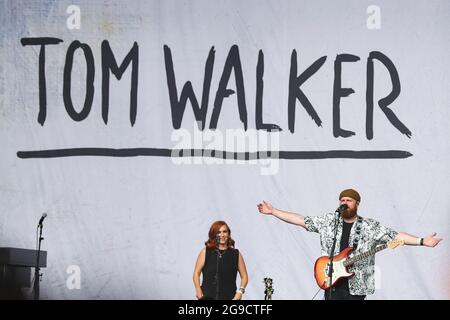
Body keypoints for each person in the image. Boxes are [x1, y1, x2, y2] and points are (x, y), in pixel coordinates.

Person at [257, 188, 442, 300]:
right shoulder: (329, 221)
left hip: (357, 286)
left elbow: (396, 235)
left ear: (357, 204)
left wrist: (422, 241)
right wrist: (274, 211)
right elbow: (300, 220)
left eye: (349, 200)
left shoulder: (370, 226)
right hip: (331, 284)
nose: (344, 202)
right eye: (342, 200)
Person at [193, 220, 248, 300]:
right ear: (214, 234)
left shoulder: (236, 254)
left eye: (224, 231)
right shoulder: (205, 252)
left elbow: (244, 276)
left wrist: (240, 292)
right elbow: (196, 273)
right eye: (218, 232)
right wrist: (198, 291)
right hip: (207, 297)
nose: (222, 235)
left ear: (228, 233)